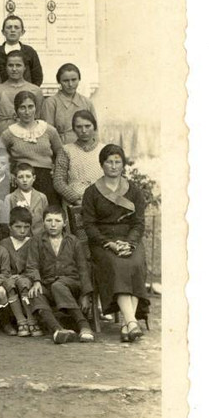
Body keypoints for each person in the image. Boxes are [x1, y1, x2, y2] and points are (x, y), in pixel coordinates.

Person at [82, 144, 150, 342]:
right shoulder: (92, 192)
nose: (113, 166)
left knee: (135, 263)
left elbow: (138, 223)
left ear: (123, 164)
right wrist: (108, 243)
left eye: (117, 162)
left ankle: (128, 324)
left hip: (129, 239)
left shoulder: (134, 191)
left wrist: (129, 243)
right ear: (102, 165)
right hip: (103, 242)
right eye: (109, 162)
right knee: (117, 264)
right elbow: (89, 225)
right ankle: (131, 322)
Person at [24, 206, 95, 344]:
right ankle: (57, 330)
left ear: (64, 223)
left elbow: (83, 269)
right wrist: (37, 282)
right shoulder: (37, 240)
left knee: (58, 285)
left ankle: (84, 326)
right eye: (49, 220)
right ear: (43, 222)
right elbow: (32, 265)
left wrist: (86, 295)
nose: (53, 224)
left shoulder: (73, 241)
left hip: (72, 284)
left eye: (57, 220)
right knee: (34, 293)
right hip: (47, 283)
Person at [1, 91, 64, 209]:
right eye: (22, 108)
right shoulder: (8, 133)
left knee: (49, 211)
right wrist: (8, 174)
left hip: (46, 178)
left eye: (30, 107)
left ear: (36, 108)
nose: (27, 112)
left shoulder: (49, 130)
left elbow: (61, 154)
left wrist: (56, 169)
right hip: (22, 178)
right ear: (16, 110)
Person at [53, 110, 103, 235]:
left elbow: (113, 178)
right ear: (74, 129)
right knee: (78, 242)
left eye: (87, 126)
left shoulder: (104, 150)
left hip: (100, 205)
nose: (84, 131)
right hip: (75, 205)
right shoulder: (66, 150)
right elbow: (58, 181)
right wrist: (77, 200)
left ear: (94, 127)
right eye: (79, 127)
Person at [0, 207, 44, 337]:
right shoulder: (4, 243)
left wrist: (26, 276)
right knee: (9, 284)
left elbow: (34, 264)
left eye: (26, 227)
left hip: (26, 278)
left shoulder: (32, 243)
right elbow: (2, 265)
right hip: (8, 277)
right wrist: (9, 276)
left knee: (23, 282)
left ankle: (31, 320)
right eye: (18, 227)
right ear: (10, 227)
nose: (22, 231)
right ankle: (21, 321)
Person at [0, 51, 44, 136]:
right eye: (10, 65)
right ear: (5, 67)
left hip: (28, 133)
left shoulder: (35, 90)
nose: (14, 69)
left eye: (18, 65)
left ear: (25, 67)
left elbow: (39, 118)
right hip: (4, 133)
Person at [41, 63, 96, 144]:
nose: (70, 84)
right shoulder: (51, 103)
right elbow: (47, 134)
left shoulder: (87, 102)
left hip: (85, 148)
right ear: (59, 81)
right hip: (60, 148)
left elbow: (95, 130)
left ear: (79, 79)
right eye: (65, 81)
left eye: (74, 80)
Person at [0, 14, 44, 86]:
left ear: (22, 32)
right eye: (9, 27)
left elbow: (37, 77)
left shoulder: (30, 52)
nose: (13, 30)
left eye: (16, 27)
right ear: (3, 32)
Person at [4, 162, 49, 237]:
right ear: (15, 179)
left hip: (39, 237)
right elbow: (6, 221)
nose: (24, 180)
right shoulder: (10, 198)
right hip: (19, 237)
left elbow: (45, 218)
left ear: (34, 178)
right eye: (20, 177)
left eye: (28, 176)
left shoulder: (42, 197)